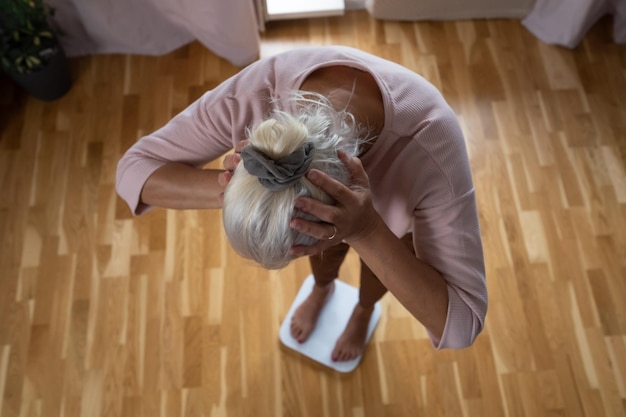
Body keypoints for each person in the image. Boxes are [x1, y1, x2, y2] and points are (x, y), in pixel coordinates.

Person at [116, 45, 488, 363]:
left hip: (396, 226)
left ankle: (364, 309)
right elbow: (133, 172)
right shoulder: (249, 97)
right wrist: (239, 189)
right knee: (319, 249)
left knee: (382, 265)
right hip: (336, 214)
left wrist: (369, 231)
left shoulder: (433, 145)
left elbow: (461, 324)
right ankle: (323, 287)